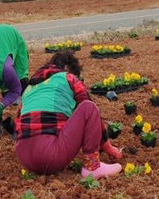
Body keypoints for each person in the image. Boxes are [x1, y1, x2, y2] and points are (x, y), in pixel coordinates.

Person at [15, 51, 122, 179]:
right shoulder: (69, 78)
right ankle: (92, 167)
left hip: (25, 158)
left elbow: (18, 121)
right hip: (49, 157)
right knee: (89, 107)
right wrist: (106, 146)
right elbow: (89, 110)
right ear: (67, 68)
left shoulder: (29, 89)